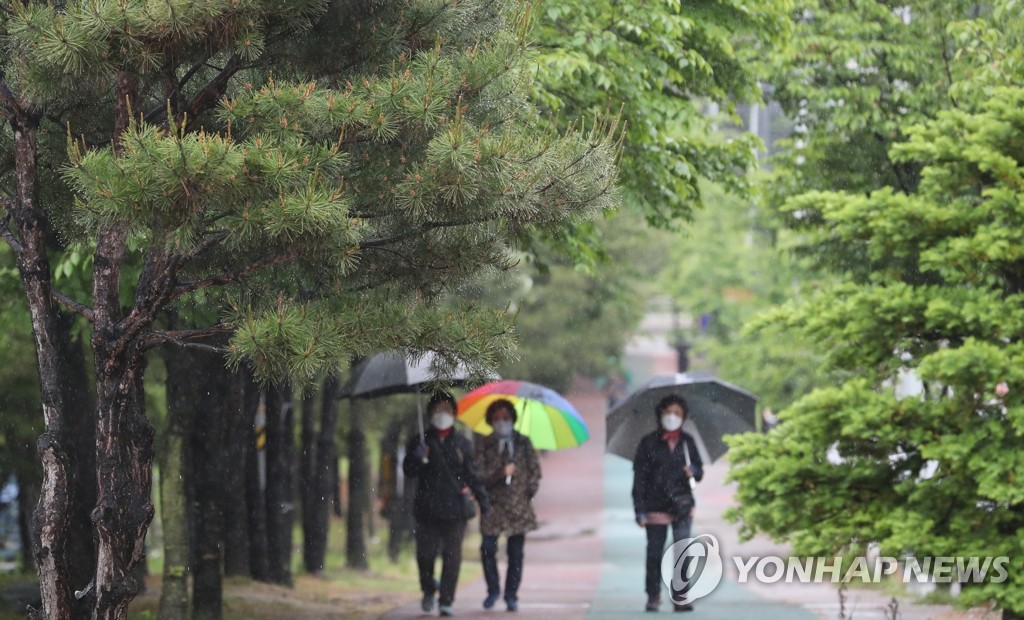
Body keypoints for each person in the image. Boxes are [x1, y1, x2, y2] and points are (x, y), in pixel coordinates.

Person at [403, 391, 491, 617]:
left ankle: (447, 599)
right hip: (427, 509)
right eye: (437, 409)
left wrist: (484, 503)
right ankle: (428, 589)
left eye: (446, 409)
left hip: (455, 510)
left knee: (452, 557)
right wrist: (417, 457)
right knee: (425, 554)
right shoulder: (420, 440)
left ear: (454, 412)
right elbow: (409, 471)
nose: (442, 414)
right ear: (430, 412)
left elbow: (472, 476)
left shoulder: (462, 443)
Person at [631, 394, 704, 613]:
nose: (673, 417)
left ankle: (681, 596)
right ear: (660, 414)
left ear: (684, 416)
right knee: (654, 552)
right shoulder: (648, 443)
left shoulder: (688, 442)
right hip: (655, 505)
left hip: (682, 504)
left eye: (678, 413)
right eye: (669, 412)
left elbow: (699, 472)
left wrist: (693, 471)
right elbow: (639, 479)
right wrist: (640, 511)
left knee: (682, 548)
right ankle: (653, 595)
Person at [473, 399, 542, 612]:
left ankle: (511, 594)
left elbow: (535, 472)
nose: (501, 422)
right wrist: (499, 474)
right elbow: (478, 475)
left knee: (516, 553)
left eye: (505, 418)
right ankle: (493, 590)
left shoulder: (523, 442)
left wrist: (526, 492)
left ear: (512, 418)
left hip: (518, 507)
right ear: (490, 420)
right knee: (488, 548)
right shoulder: (484, 444)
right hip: (492, 507)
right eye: (496, 418)